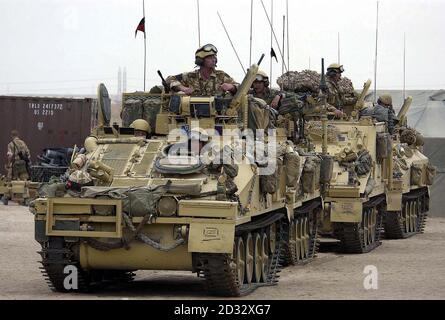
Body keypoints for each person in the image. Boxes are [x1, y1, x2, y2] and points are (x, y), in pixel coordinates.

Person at [166, 44, 239, 96]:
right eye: (210, 58)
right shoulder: (190, 76)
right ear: (201, 61)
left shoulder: (221, 76)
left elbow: (241, 88)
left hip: (218, 116)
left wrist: (232, 87)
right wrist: (183, 88)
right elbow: (169, 79)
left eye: (214, 57)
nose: (213, 60)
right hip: (193, 115)